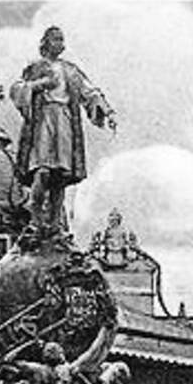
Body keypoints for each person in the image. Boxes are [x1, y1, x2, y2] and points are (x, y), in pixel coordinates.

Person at [10, 26, 115, 242]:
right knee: (43, 170)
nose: (61, 44)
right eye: (56, 39)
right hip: (44, 120)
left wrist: (108, 111)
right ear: (46, 43)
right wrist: (40, 84)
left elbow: (90, 92)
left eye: (62, 40)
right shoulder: (35, 67)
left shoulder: (70, 70)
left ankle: (55, 224)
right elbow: (17, 89)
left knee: (60, 177)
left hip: (65, 120)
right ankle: (35, 215)